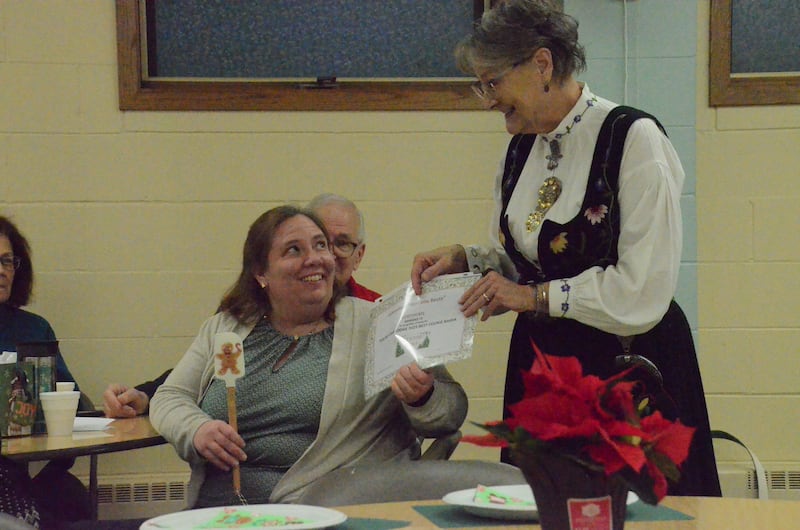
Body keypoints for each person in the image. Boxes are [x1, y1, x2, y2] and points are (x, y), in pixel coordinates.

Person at [409, 0, 720, 497]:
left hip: (626, 364)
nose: (487, 100)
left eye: (493, 83)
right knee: (539, 511)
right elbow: (527, 262)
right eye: (480, 85)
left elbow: (642, 289)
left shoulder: (633, 138)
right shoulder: (519, 147)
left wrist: (534, 299)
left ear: (541, 65)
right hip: (544, 365)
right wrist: (472, 260)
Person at [150, 205, 467, 508]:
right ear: (261, 273)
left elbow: (450, 413)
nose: (315, 259)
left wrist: (422, 397)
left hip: (324, 512)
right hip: (218, 513)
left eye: (321, 246)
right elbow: (170, 396)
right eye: (294, 250)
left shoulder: (379, 324)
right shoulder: (228, 327)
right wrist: (195, 429)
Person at [102, 194, 382, 418]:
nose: (322, 256)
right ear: (262, 273)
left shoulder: (374, 316)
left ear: (359, 255)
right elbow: (207, 374)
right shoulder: (243, 318)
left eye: (340, 244)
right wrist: (146, 397)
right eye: (300, 246)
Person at [0, 216, 91, 528]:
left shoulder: (33, 329)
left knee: (72, 498)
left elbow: (75, 407)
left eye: (7, 261)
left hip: (18, 475)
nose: (1, 271)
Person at [307, 193, 381, 302]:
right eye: (320, 243)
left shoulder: (377, 312)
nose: (330, 257)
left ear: (358, 256)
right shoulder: (278, 307)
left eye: (342, 244)